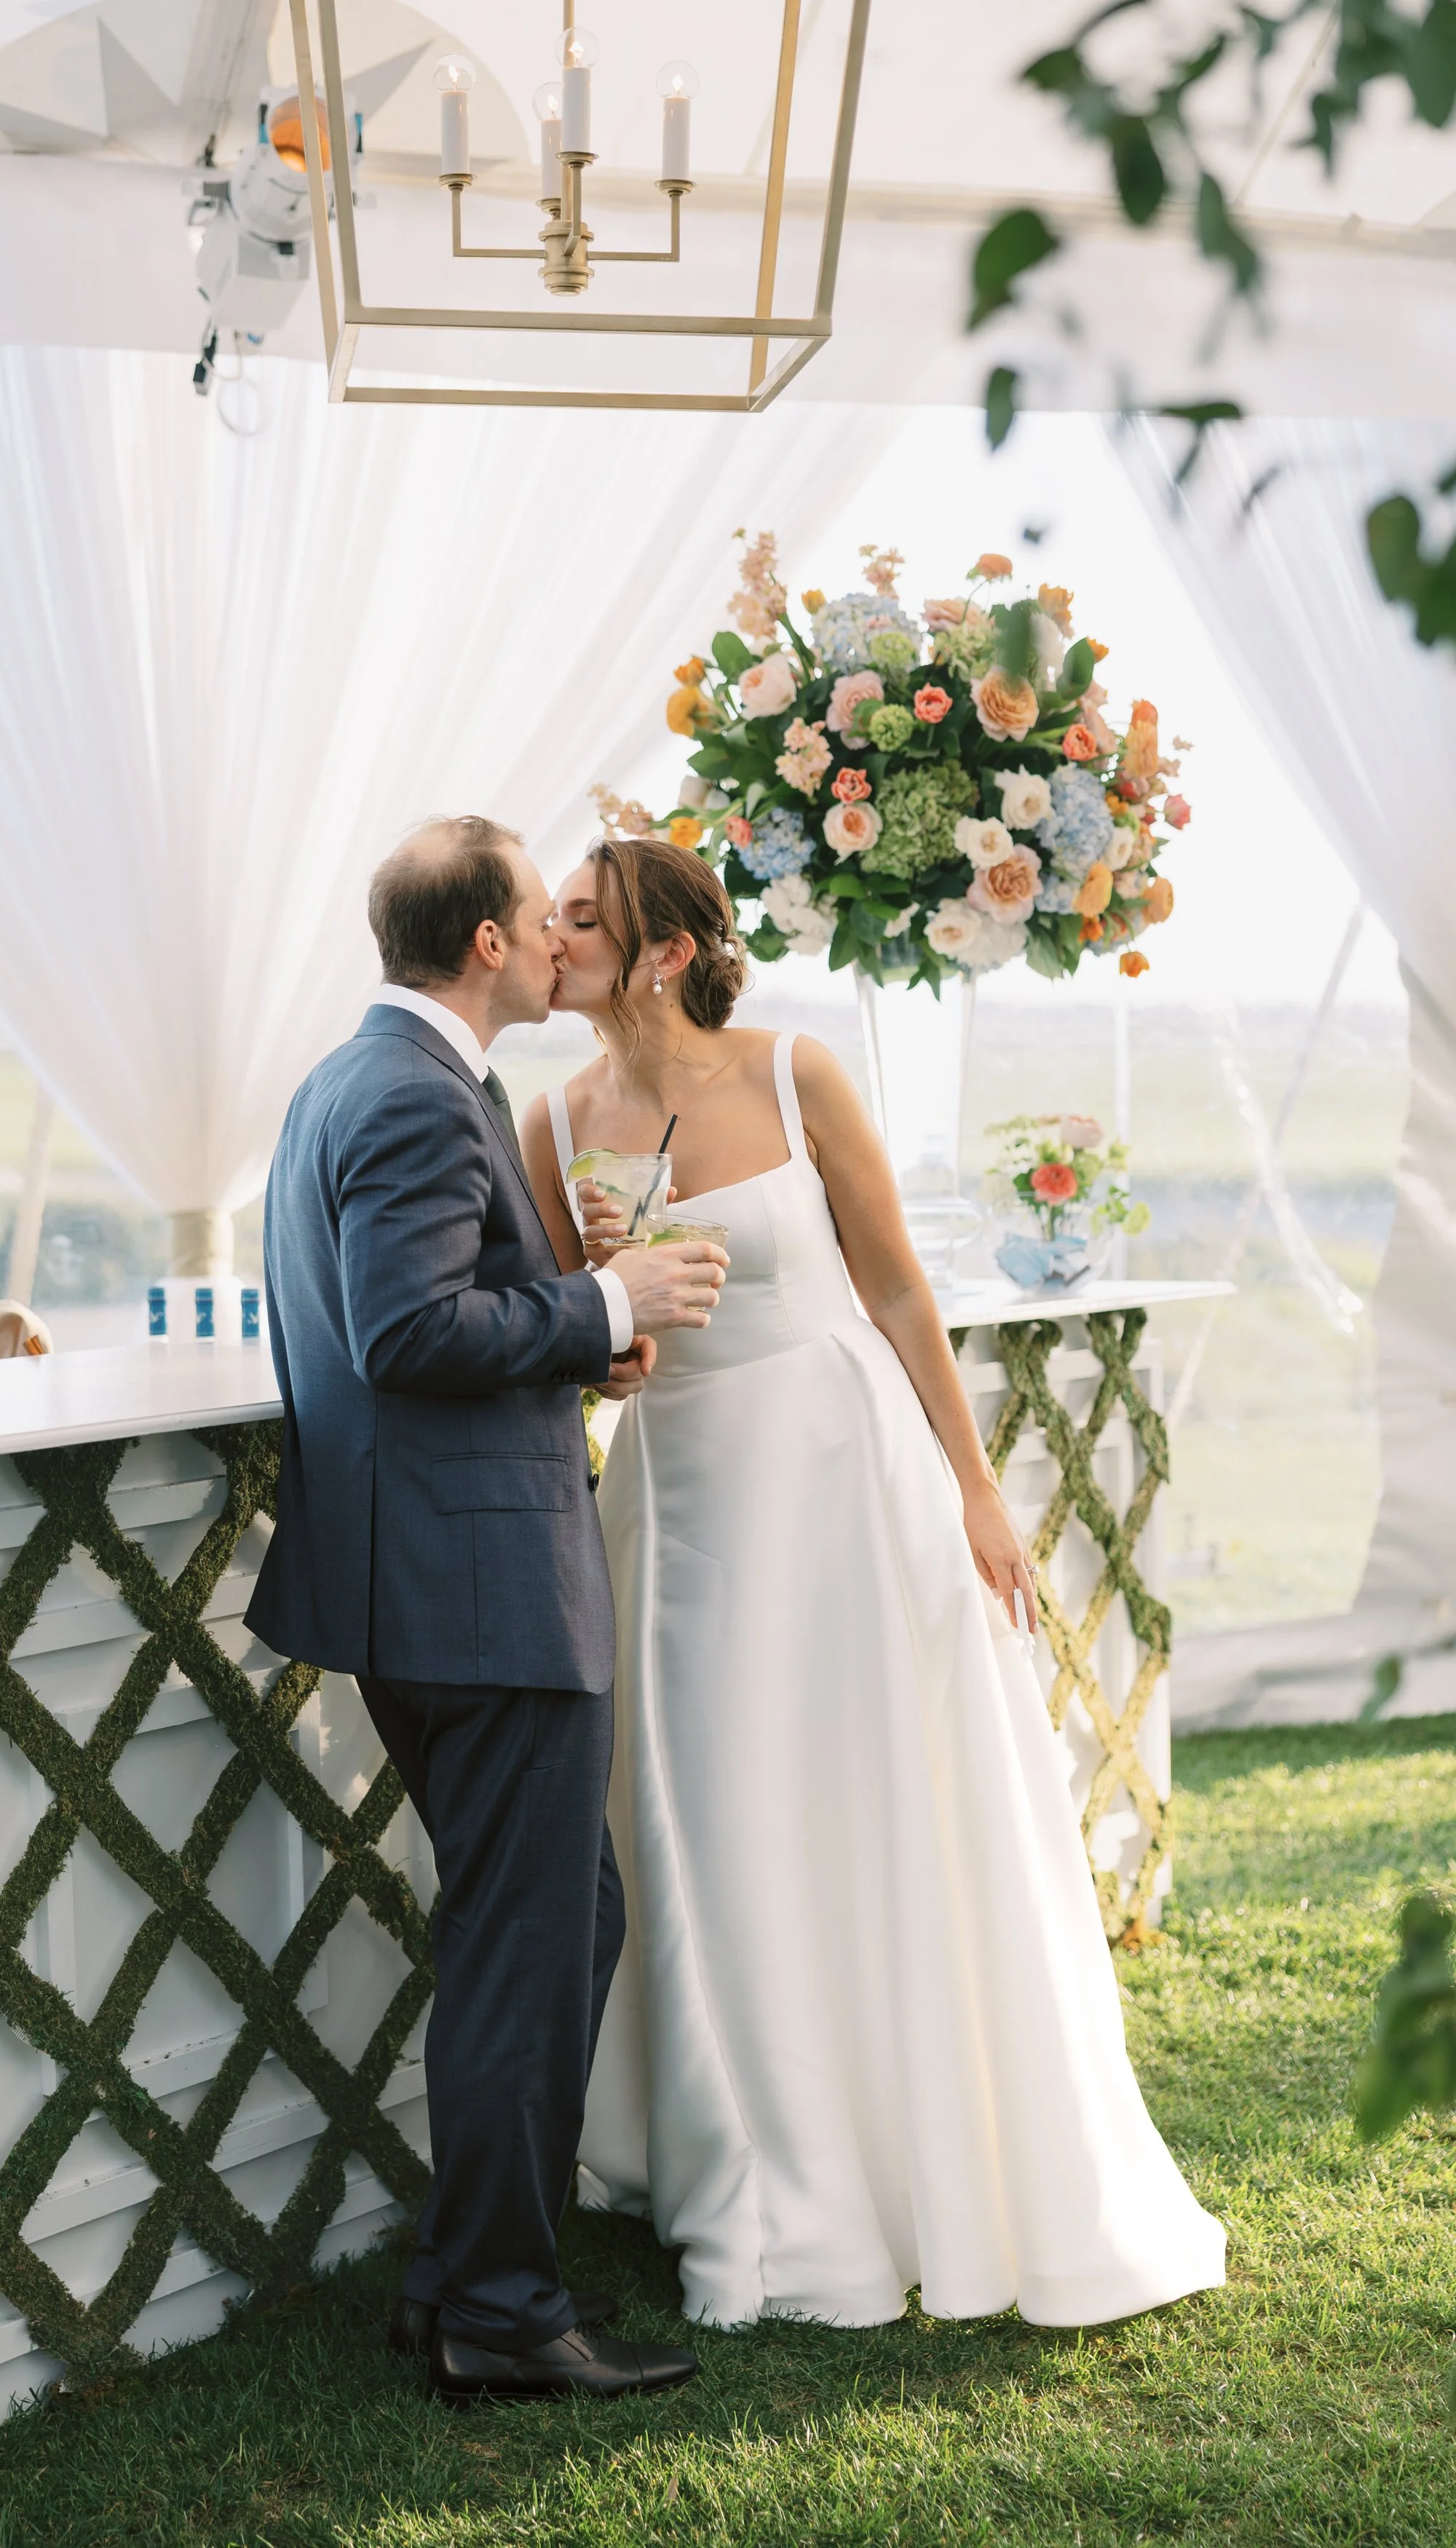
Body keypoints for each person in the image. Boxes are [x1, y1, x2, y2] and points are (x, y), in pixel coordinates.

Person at [521, 831, 1227, 2333]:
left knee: (877, 1795)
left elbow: (899, 1287)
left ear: (657, 948)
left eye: (582, 918)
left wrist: (973, 1488)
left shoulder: (795, 1074)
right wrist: (599, 1303)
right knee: (705, 1817)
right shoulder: (554, 1117)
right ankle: (757, 2179)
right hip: (680, 1502)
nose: (551, 935)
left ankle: (923, 2147)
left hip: (843, 1475)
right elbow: (589, 1347)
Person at [246, 815, 728, 2404]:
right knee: (531, 1939)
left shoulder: (361, 1081)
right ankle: (506, 2316)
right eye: (538, 914)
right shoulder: (407, 1093)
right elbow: (403, 1330)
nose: (554, 936)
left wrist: (575, 1322)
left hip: (429, 1575)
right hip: (478, 1586)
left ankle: (459, 2278)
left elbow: (446, 1314)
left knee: (547, 1920)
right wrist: (610, 1299)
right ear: (483, 946)